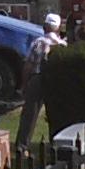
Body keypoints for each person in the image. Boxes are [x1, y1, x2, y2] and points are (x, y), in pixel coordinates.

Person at [14, 13, 68, 155]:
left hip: (37, 79)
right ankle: (56, 144)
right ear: (58, 29)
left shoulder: (38, 42)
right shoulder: (63, 45)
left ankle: (22, 146)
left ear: (45, 27)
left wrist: (24, 85)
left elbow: (28, 66)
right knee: (56, 114)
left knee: (29, 115)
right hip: (56, 81)